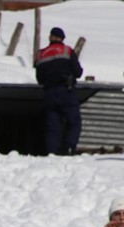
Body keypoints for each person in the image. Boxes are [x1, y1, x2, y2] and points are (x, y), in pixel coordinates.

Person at [35, 26, 83, 156]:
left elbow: (39, 78)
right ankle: (68, 148)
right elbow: (78, 72)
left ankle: (52, 152)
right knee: (74, 122)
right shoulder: (67, 51)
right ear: (62, 39)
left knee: (52, 126)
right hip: (65, 91)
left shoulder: (40, 54)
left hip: (49, 93)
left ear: (50, 37)